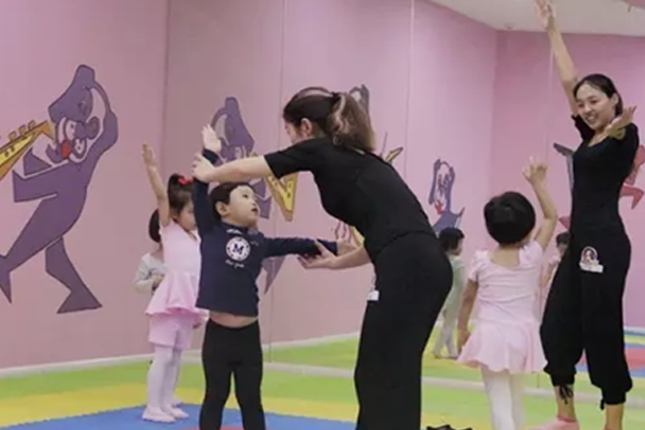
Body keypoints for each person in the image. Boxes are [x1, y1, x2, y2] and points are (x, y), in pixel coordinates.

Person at [192, 87, 453, 430]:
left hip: (407, 266)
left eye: (289, 132)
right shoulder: (360, 160)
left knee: (378, 372)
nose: (290, 142)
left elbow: (251, 168)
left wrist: (209, 173)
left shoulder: (323, 149)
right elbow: (388, 236)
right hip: (426, 264)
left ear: (305, 127)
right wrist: (335, 262)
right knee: (395, 369)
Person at [534, 1, 640, 429]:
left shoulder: (624, 135)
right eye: (582, 103)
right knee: (554, 328)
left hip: (606, 245)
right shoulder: (589, 133)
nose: (586, 107)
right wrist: (552, 30)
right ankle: (566, 417)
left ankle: (613, 423)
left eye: (595, 100)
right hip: (579, 243)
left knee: (602, 332)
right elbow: (568, 79)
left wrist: (619, 126)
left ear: (614, 99)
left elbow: (623, 132)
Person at [194, 128, 343, 430]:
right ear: (222, 208)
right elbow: (199, 188)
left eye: (254, 197)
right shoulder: (211, 231)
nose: (254, 202)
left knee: (251, 399)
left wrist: (341, 248)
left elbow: (298, 243)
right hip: (218, 337)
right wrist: (211, 153)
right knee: (215, 397)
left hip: (248, 337)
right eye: (245, 196)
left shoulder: (259, 242)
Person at [456, 159, 557, 430]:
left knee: (499, 401)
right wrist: (538, 184)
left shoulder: (481, 261)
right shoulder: (532, 256)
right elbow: (551, 218)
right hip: (522, 336)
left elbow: (467, 298)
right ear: (528, 227)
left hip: (492, 337)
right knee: (514, 398)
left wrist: (461, 329)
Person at [141, 143, 206, 423]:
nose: (196, 217)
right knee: (163, 356)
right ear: (176, 214)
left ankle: (166, 401)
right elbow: (160, 196)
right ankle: (152, 406)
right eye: (191, 212)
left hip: (187, 303)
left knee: (177, 357)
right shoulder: (169, 230)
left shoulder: (197, 237)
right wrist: (152, 168)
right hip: (169, 302)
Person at [432, 227, 466, 359]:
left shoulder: (440, 259)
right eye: (460, 244)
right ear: (452, 244)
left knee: (448, 323)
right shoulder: (457, 261)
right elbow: (462, 283)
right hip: (455, 297)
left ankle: (452, 351)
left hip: (442, 296)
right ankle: (437, 349)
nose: (461, 247)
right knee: (449, 325)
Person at [538, 232, 569, 318]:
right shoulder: (554, 261)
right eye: (561, 250)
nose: (563, 253)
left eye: (565, 250)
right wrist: (541, 285)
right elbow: (548, 275)